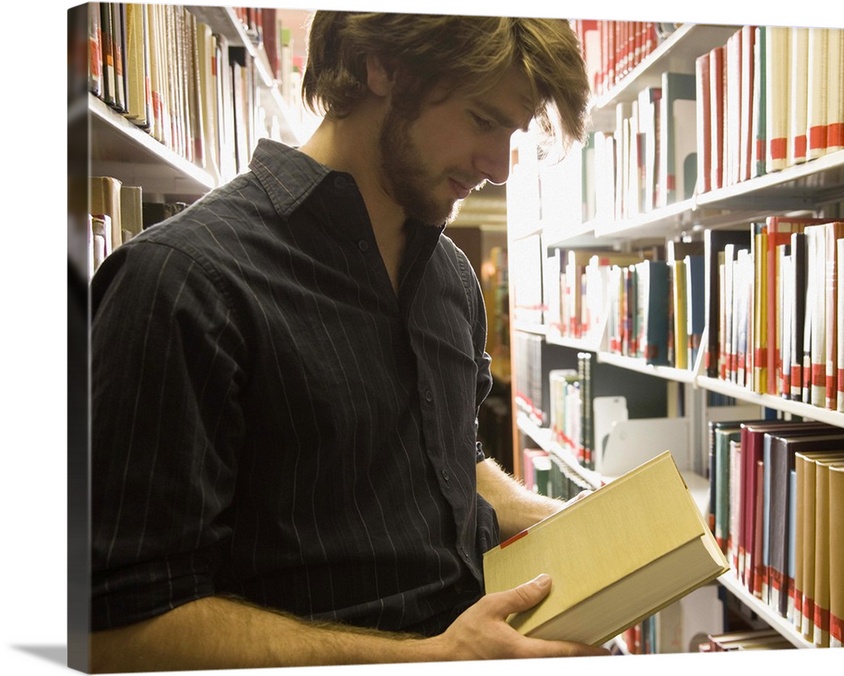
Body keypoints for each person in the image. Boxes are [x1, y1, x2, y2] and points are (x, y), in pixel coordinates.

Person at [88, 10, 605, 671]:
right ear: (382, 67)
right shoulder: (181, 281)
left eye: (514, 132)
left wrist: (579, 520)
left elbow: (450, 464)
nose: (500, 169)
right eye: (483, 120)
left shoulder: (450, 279)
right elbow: (115, 628)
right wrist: (433, 656)